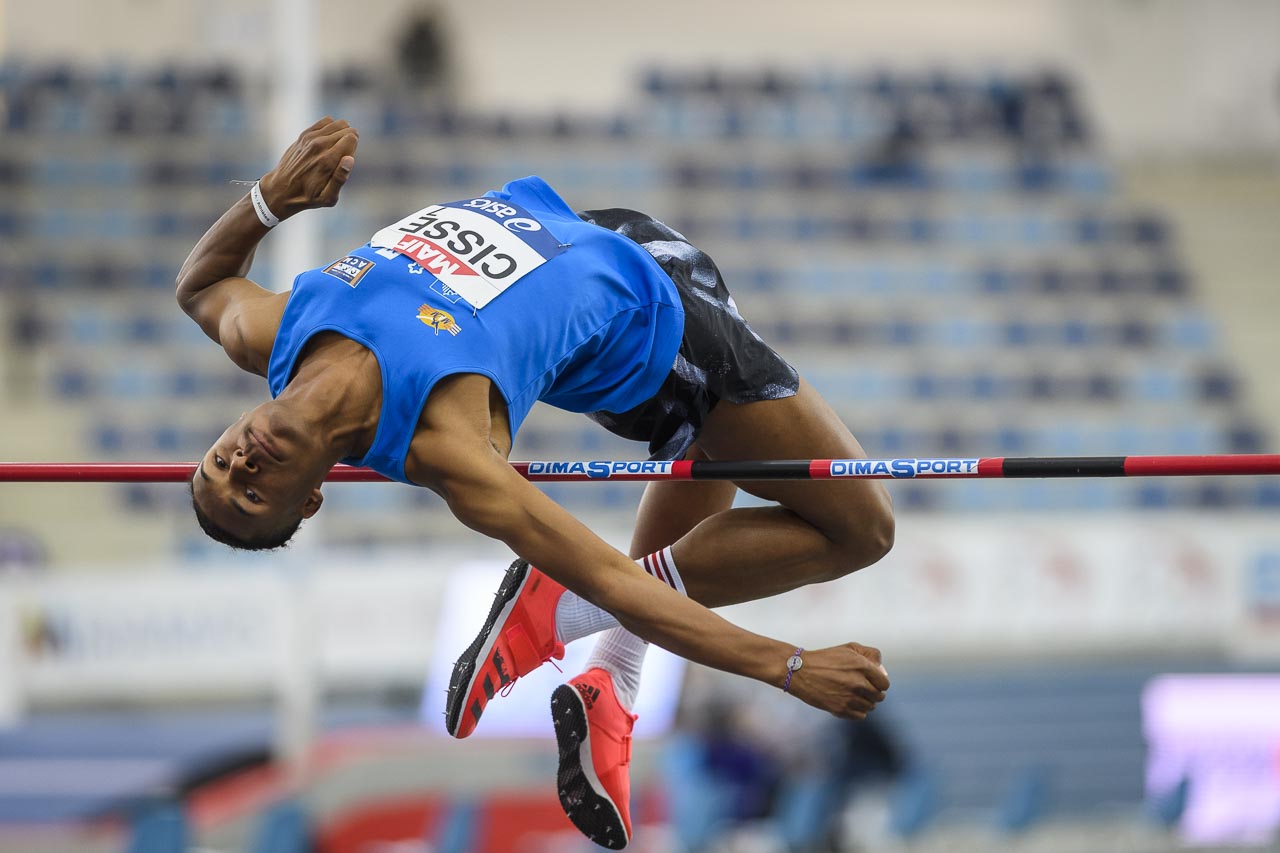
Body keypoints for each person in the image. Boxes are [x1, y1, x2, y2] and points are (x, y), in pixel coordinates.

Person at [178, 118, 895, 849]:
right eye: (251, 495)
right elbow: (616, 580)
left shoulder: (270, 331)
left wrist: (270, 199)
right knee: (863, 528)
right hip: (651, 321)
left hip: (591, 232)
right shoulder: (443, 444)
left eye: (218, 465)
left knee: (703, 449)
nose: (240, 467)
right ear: (310, 499)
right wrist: (788, 666)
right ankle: (562, 611)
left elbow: (198, 286)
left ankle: (612, 677)